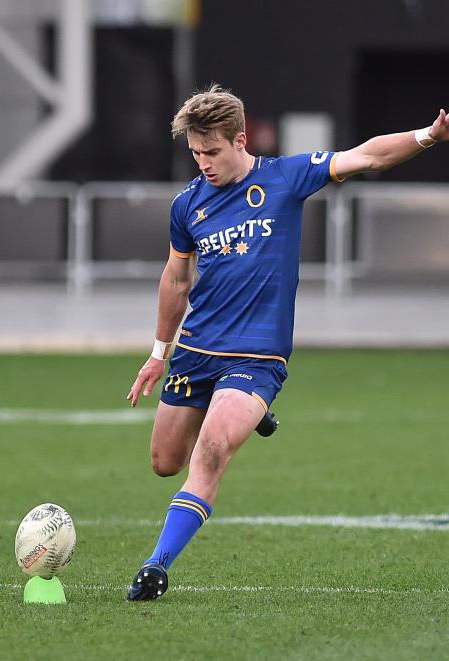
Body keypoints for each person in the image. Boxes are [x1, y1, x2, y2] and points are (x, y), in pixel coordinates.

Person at [126, 84, 449, 600]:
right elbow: (176, 279)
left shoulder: (284, 177)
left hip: (257, 354)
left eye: (211, 151)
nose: (203, 163)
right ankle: (249, 413)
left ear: (240, 140)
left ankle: (156, 566)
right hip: (197, 348)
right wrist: (159, 352)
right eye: (195, 153)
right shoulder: (187, 205)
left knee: (211, 451)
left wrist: (428, 136)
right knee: (166, 462)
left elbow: (366, 155)